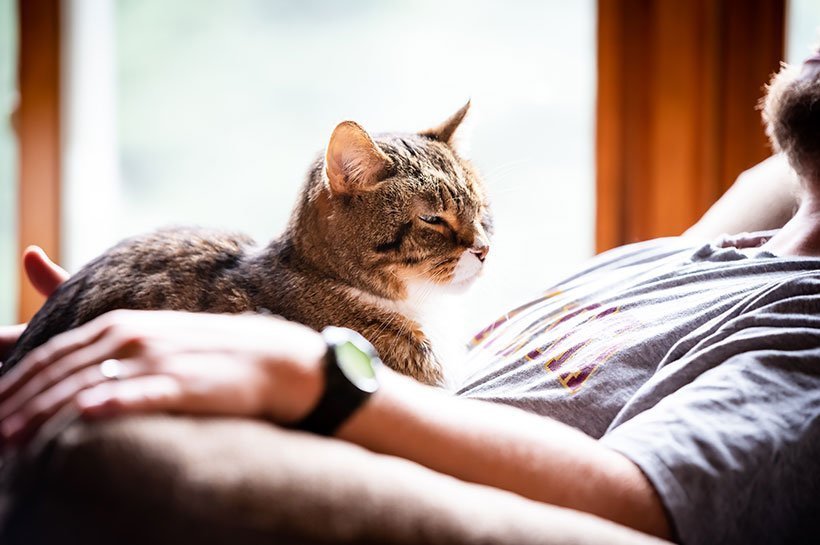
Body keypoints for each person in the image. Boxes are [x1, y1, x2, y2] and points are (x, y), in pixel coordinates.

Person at [2, 68, 819, 545]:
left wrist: (310, 373)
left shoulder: (804, 326)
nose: (481, 246)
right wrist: (114, 320)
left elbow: (641, 502)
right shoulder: (705, 251)